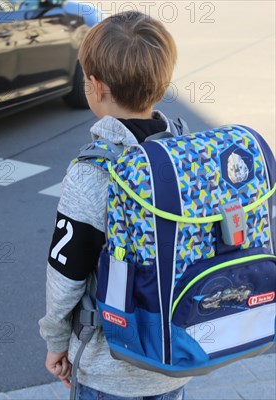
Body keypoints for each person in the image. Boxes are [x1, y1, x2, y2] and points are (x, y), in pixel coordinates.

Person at [38, 11, 191, 400]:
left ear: (95, 86)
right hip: (178, 356)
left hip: (109, 366)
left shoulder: (93, 172)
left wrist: (56, 341)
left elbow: (65, 275)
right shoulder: (187, 154)